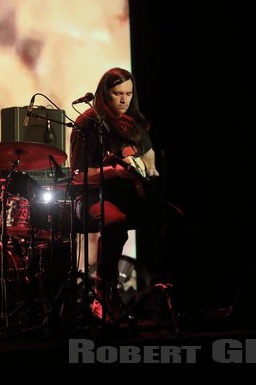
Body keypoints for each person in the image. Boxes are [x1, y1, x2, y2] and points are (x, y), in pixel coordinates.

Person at [69, 67, 160, 323]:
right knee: (114, 222)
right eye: (118, 94)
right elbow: (78, 175)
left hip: (126, 195)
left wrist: (149, 169)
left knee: (171, 216)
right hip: (90, 197)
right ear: (104, 94)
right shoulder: (87, 123)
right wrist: (114, 172)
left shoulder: (131, 123)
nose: (124, 100)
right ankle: (103, 292)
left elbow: (148, 151)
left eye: (129, 94)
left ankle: (160, 288)